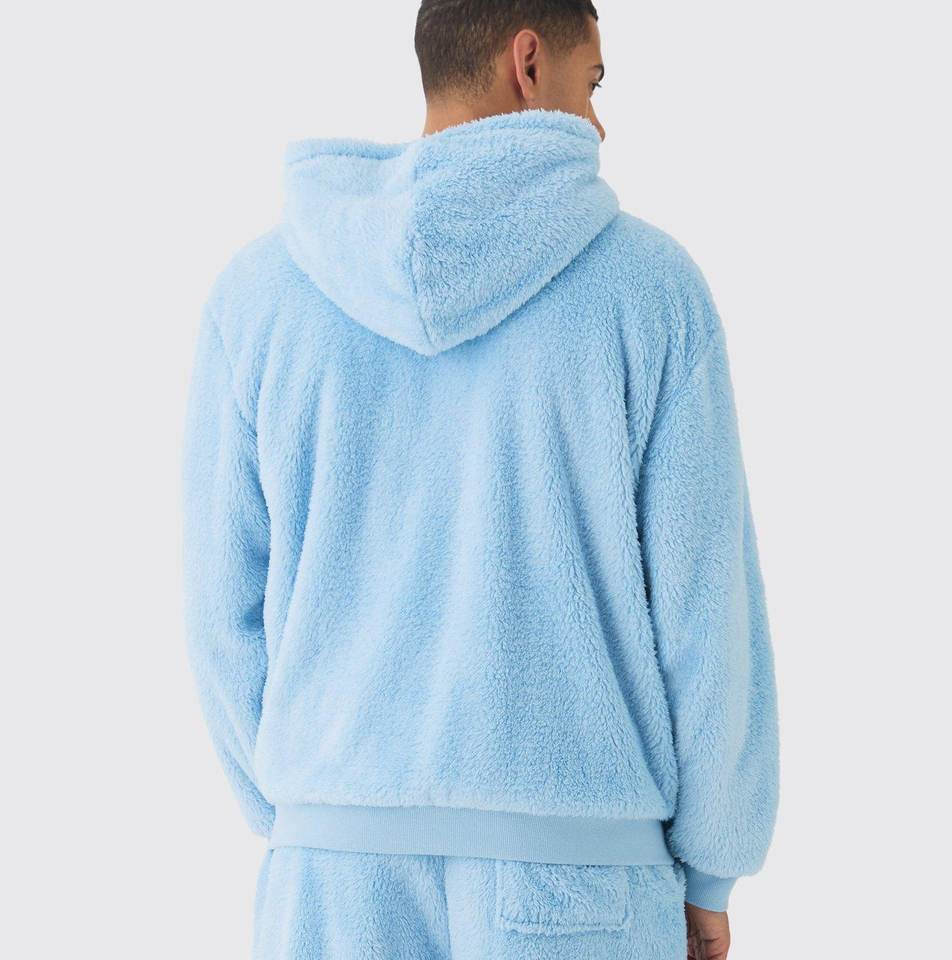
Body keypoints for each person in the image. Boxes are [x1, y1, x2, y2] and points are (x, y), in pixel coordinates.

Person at [182, 1, 779, 957]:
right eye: (593, 84)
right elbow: (707, 614)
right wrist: (711, 869)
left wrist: (312, 806)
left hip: (330, 880)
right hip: (581, 876)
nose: (599, 123)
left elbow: (222, 612)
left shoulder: (261, 297)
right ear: (528, 62)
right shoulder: (650, 290)